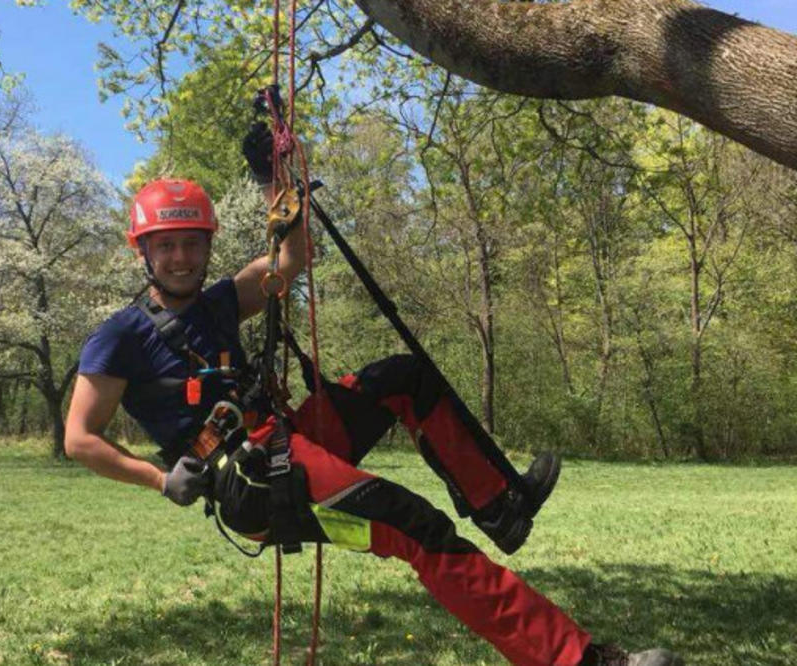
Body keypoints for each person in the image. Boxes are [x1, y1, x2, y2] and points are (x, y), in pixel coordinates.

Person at [64, 135, 682, 666]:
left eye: (191, 243)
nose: (180, 258)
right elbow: (81, 437)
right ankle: (579, 659)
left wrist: (275, 180)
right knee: (422, 532)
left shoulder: (221, 301)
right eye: (166, 246)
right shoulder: (121, 335)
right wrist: (157, 480)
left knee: (402, 378)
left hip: (286, 441)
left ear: (206, 244)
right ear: (142, 251)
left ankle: (501, 507)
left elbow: (293, 256)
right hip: (251, 480)